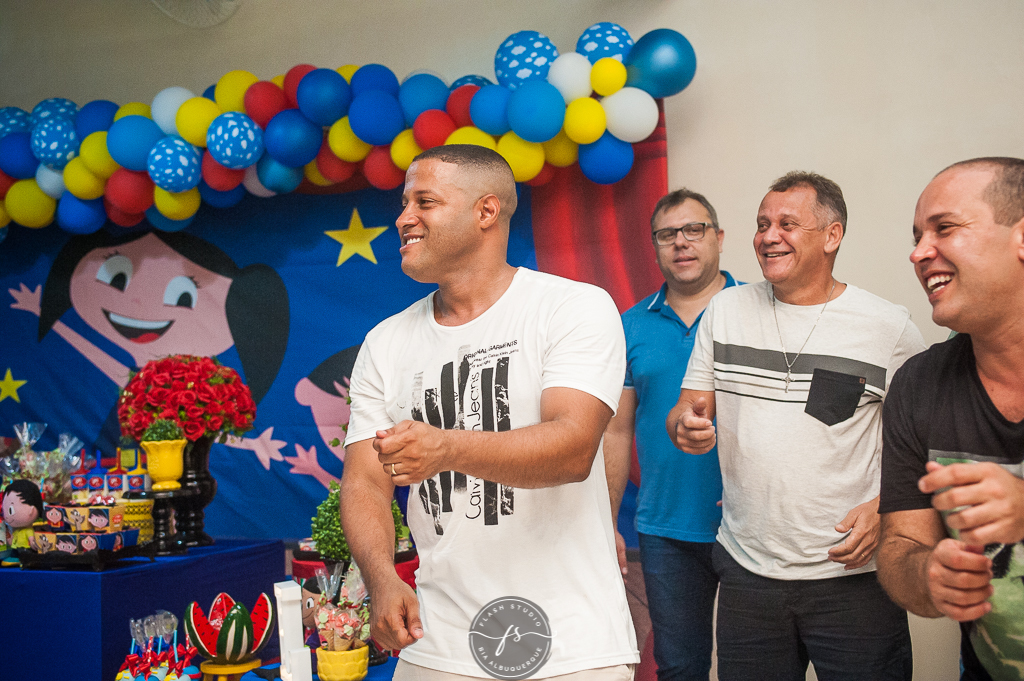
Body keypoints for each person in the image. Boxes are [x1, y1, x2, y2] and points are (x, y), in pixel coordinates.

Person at [340, 145, 638, 681]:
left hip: (572, 643)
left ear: (486, 211)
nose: (404, 218)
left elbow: (573, 450)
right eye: (404, 203)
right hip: (436, 640)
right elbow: (364, 482)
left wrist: (446, 447)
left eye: (425, 201)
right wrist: (381, 578)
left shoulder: (572, 307)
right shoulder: (385, 342)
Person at [668, 171, 926, 680]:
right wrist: (685, 426)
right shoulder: (726, 310)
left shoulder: (887, 327)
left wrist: (886, 507)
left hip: (852, 575)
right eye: (762, 224)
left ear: (832, 235)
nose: (768, 236)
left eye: (787, 224)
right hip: (747, 574)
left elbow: (927, 443)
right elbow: (687, 409)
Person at [877, 157, 1024, 681]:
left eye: (944, 228)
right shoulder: (920, 385)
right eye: (917, 235)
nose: (918, 252)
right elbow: (901, 546)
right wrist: (928, 575)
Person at [604, 188, 736, 680]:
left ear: (718, 237)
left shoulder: (756, 309)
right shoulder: (629, 326)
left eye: (694, 230)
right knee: (680, 667)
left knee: (756, 667)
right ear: (655, 246)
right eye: (667, 234)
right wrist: (607, 521)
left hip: (749, 523)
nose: (681, 242)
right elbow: (615, 432)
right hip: (665, 530)